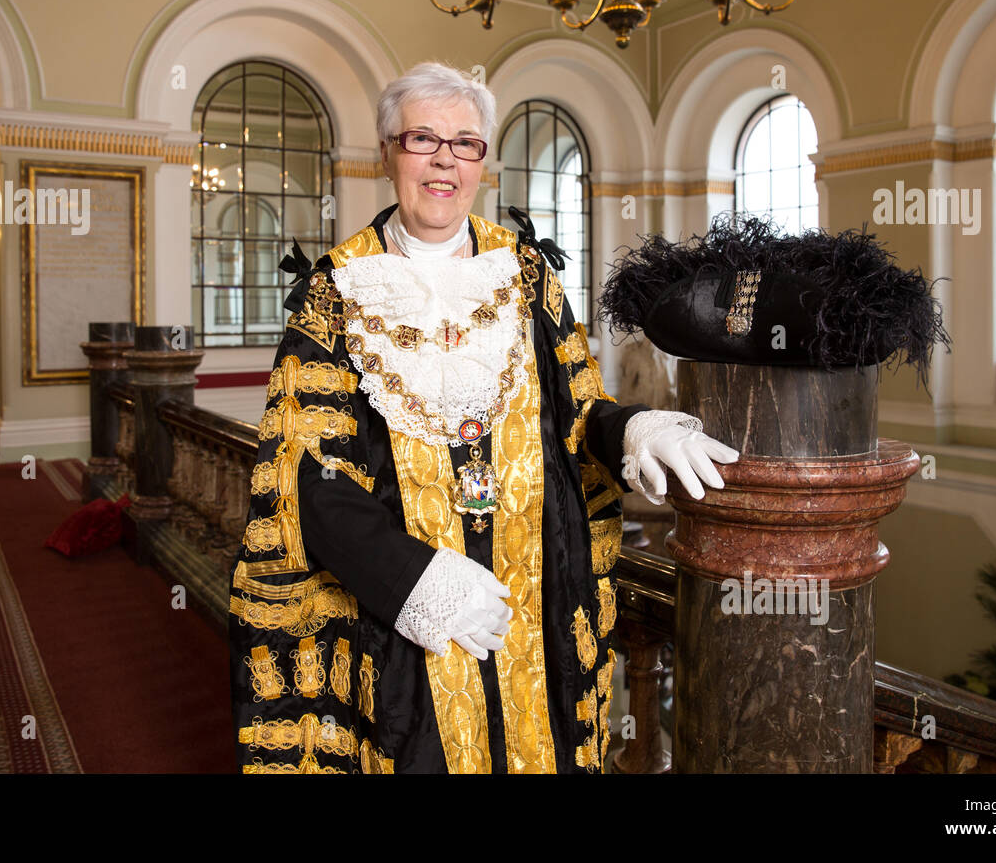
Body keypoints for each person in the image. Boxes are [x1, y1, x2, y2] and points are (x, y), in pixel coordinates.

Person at [228, 61, 738, 773]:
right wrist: (417, 581)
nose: (445, 160)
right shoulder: (337, 289)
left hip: (536, 599)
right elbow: (306, 477)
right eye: (422, 140)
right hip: (408, 624)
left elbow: (576, 411)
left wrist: (634, 427)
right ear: (387, 153)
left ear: (482, 163)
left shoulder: (525, 275)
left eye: (466, 143)